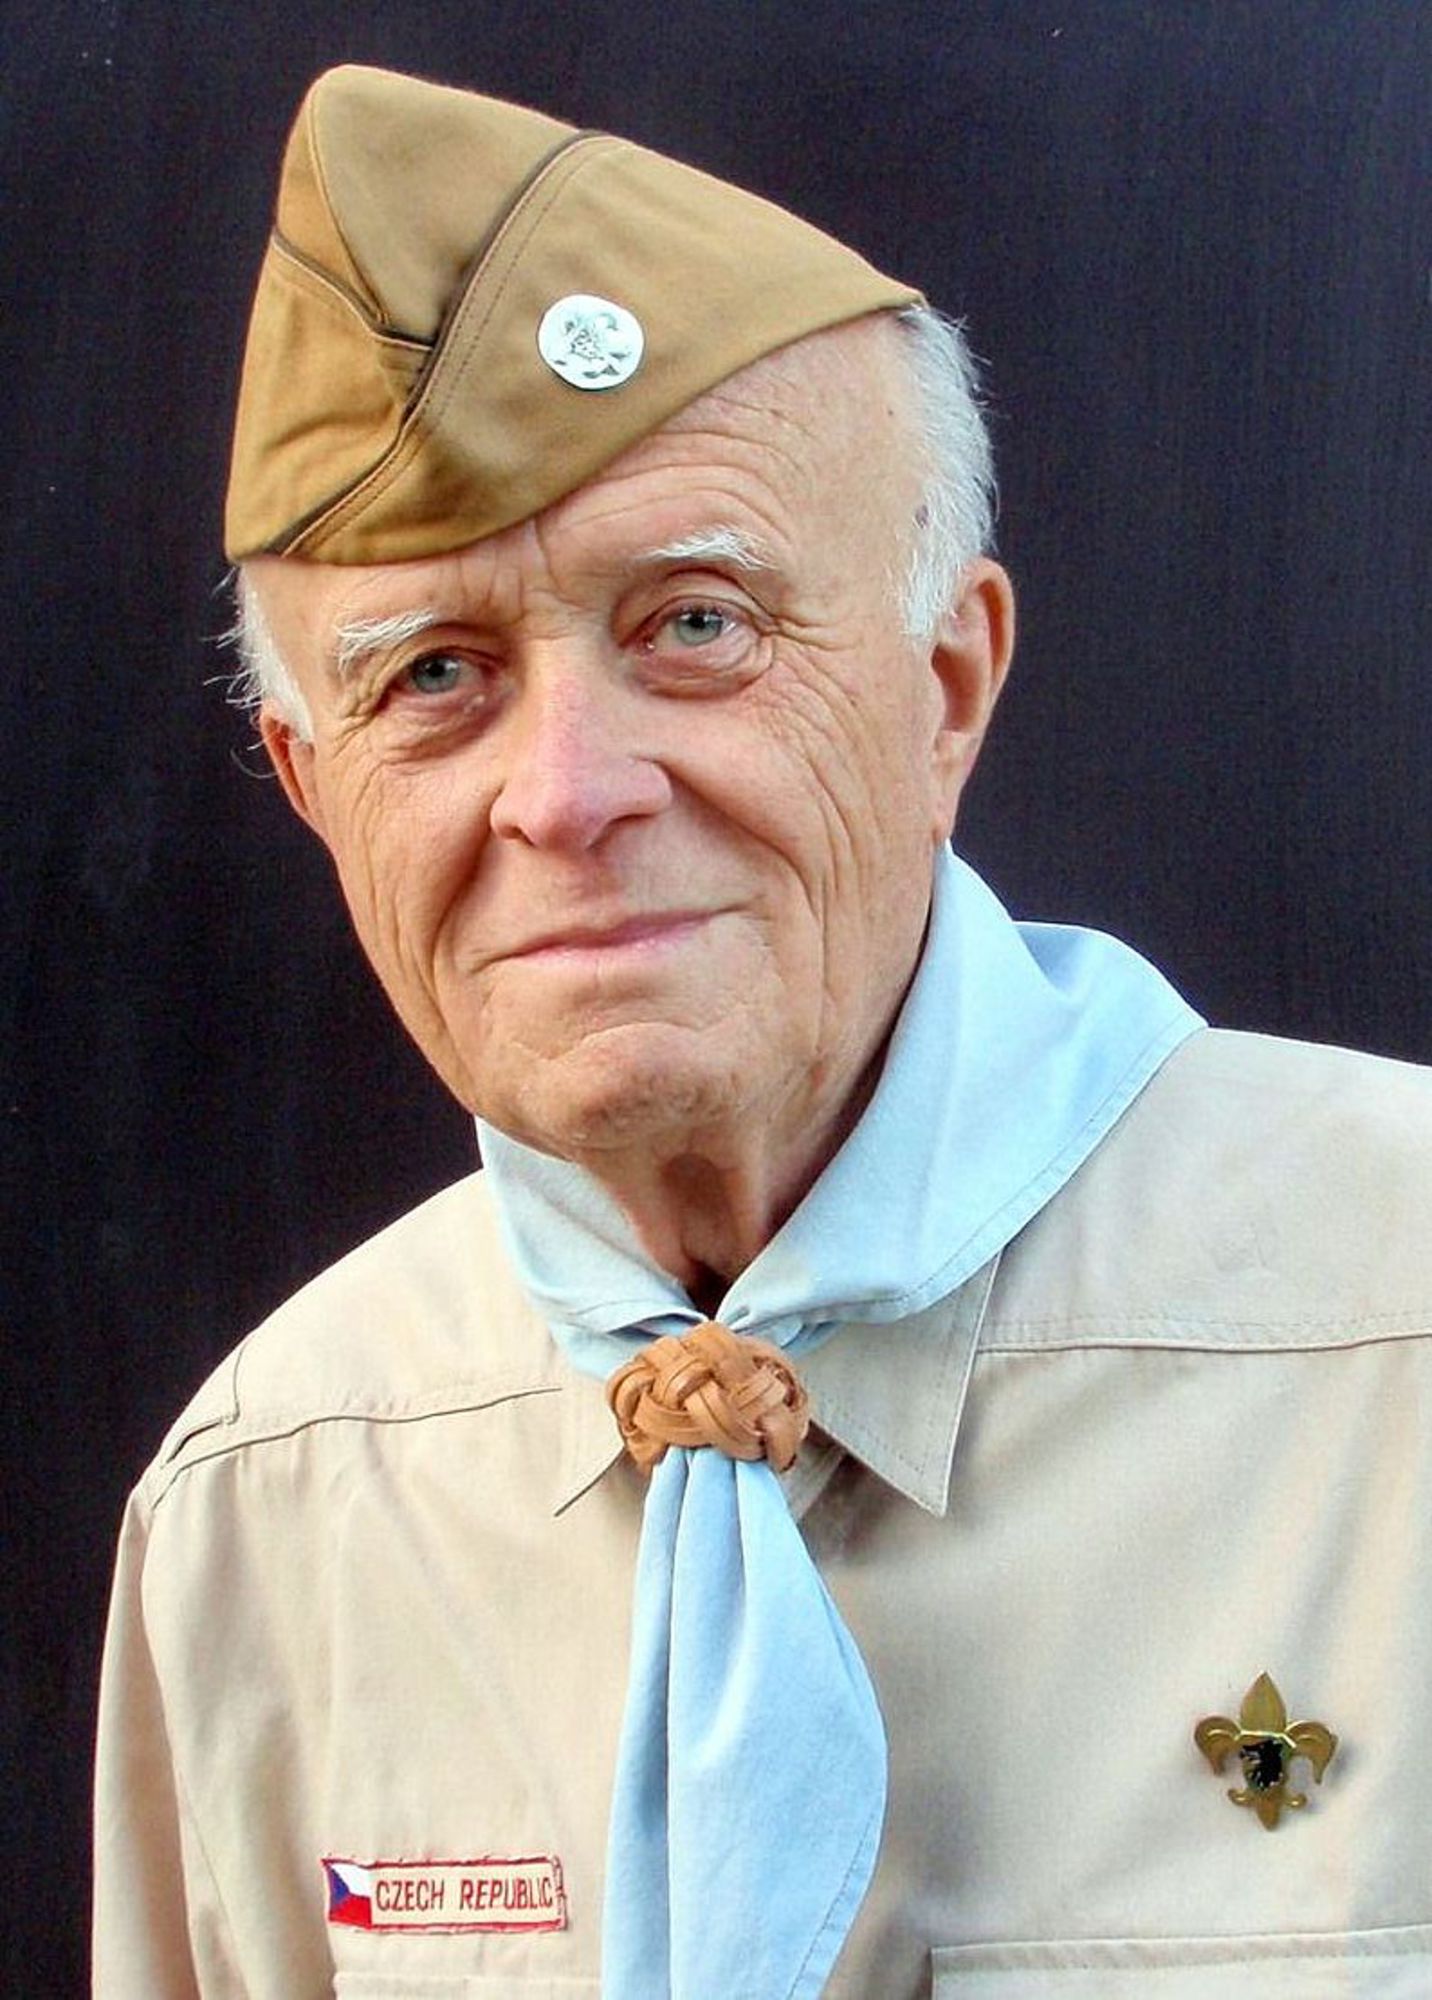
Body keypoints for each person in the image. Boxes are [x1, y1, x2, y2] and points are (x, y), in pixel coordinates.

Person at [94, 62, 1432, 2000]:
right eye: (436, 675)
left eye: (696, 624)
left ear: (946, 682)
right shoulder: (266, 1507)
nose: (566, 794)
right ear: (314, 787)